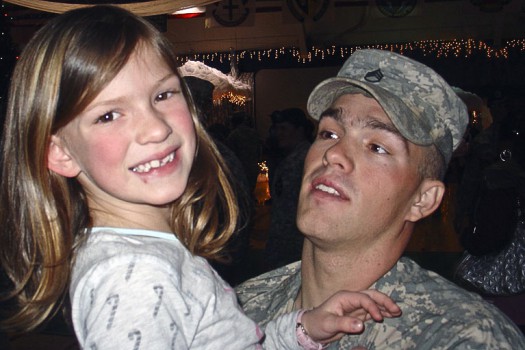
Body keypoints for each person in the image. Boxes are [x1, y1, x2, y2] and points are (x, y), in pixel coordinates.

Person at [0, 6, 402, 349]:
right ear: (61, 153)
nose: (155, 128)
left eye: (162, 95)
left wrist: (302, 328)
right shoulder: (134, 278)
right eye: (108, 114)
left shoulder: (150, 256)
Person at [236, 49, 525, 348]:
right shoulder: (242, 307)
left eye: (377, 147)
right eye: (329, 134)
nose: (333, 154)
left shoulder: (464, 337)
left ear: (423, 199)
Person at [264, 108, 314, 270]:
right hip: (283, 244)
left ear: (300, 130)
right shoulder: (289, 157)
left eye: (284, 128)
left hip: (296, 248)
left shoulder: (308, 159)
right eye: (277, 129)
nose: (279, 133)